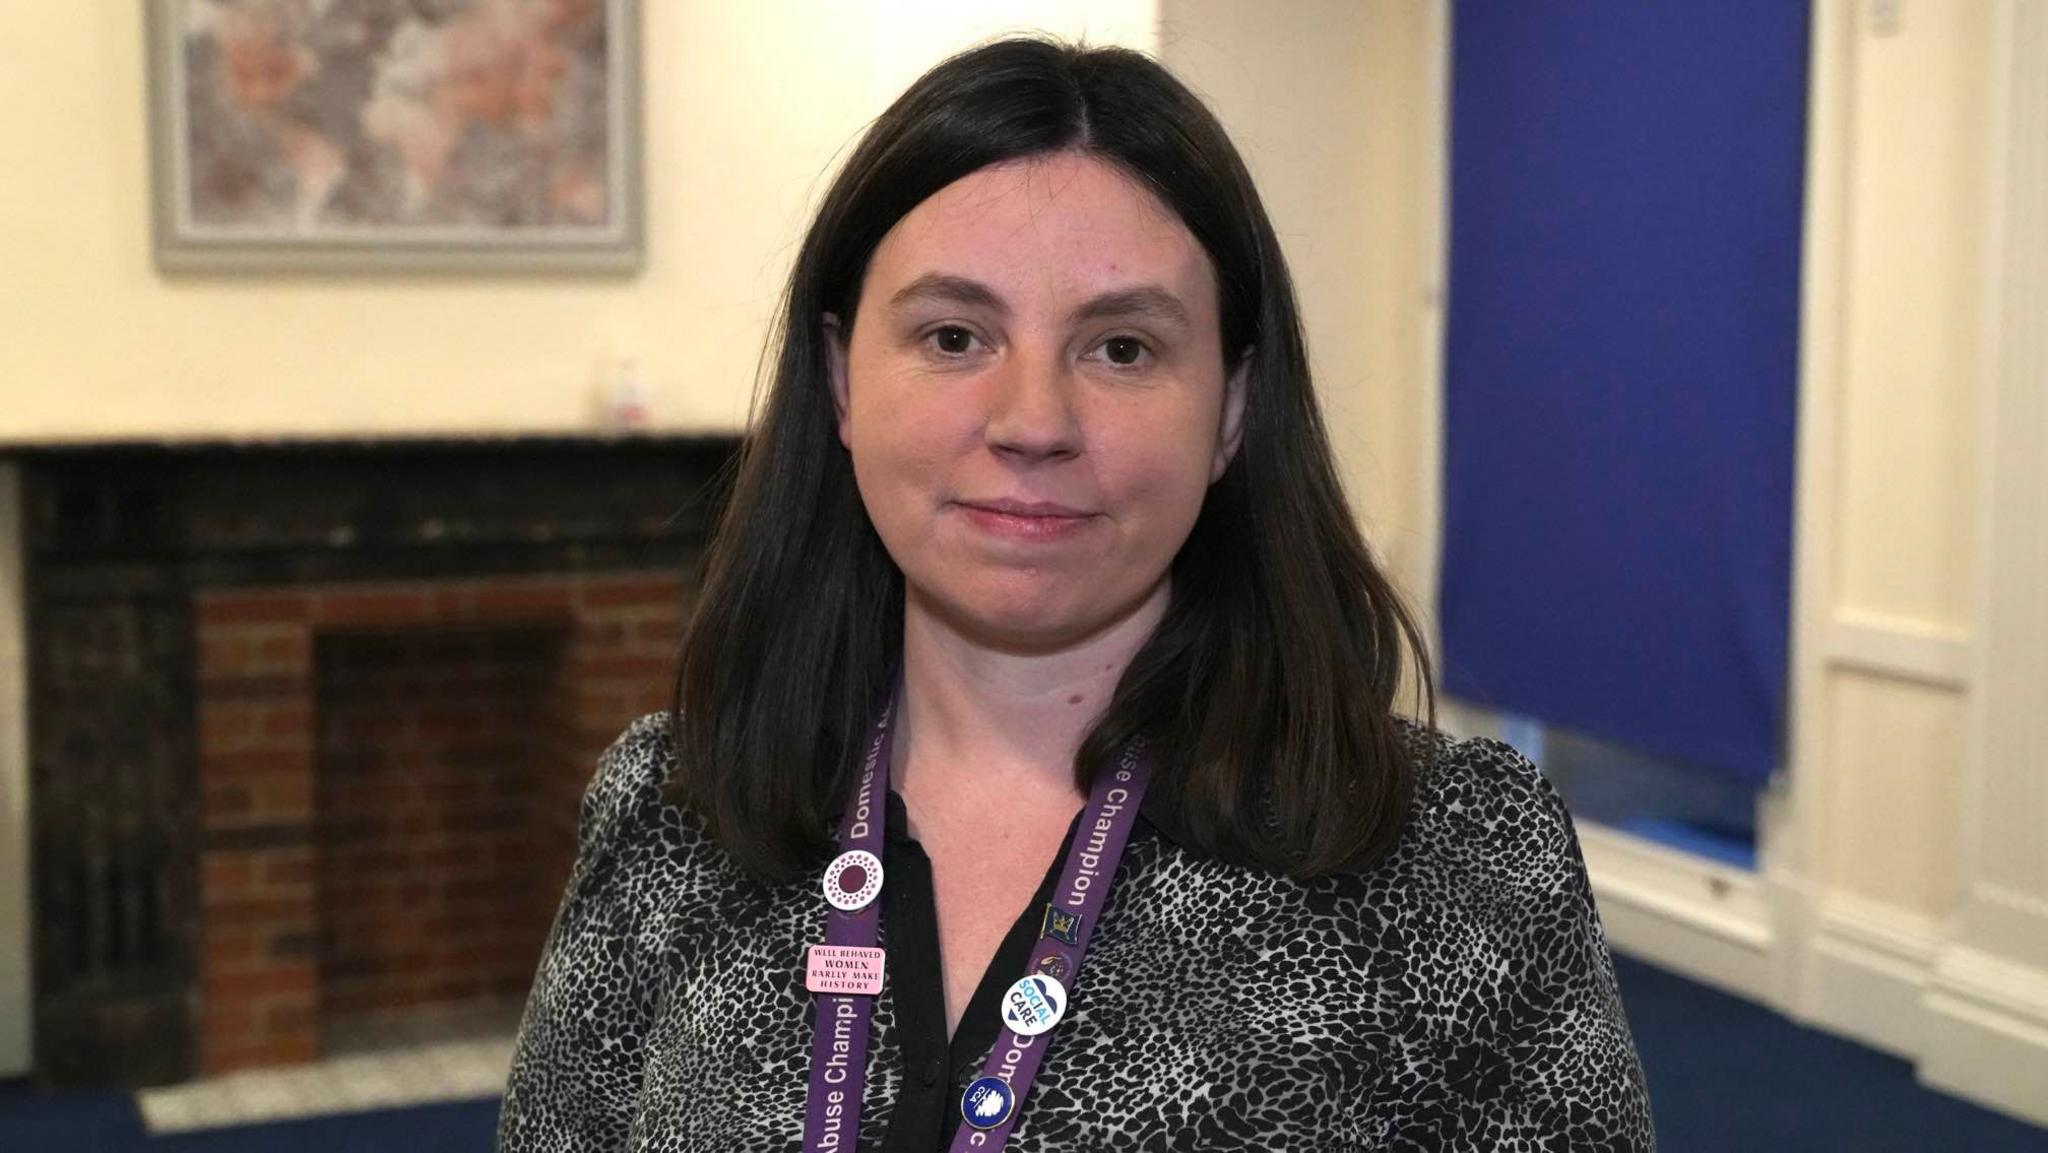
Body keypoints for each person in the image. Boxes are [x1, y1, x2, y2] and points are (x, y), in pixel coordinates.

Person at [496, 35, 1654, 1153]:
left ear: (1232, 410)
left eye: (1121, 350)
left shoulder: (1454, 854)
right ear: (843, 382)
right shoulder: (673, 806)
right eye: (953, 336)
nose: (1033, 422)